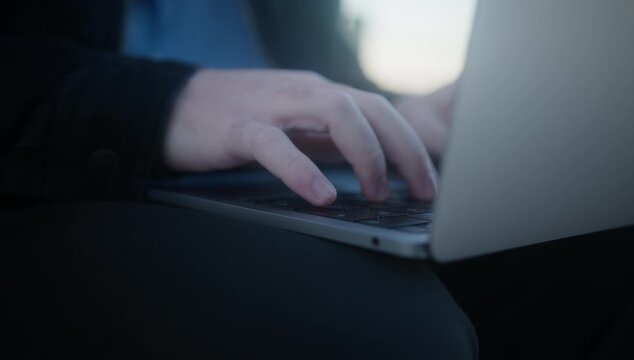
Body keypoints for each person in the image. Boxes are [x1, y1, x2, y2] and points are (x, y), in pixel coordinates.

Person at [1, 1, 477, 359]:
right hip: (61, 182)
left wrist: (393, 115)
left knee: (534, 255)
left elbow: (327, 78)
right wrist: (164, 103)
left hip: (294, 179)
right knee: (395, 326)